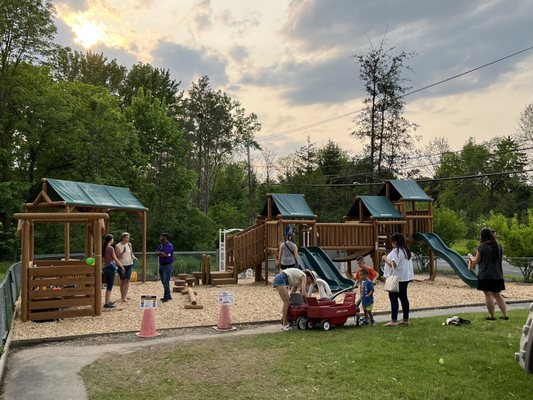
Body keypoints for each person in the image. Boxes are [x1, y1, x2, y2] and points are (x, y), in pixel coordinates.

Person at [468, 228, 508, 320]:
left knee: (488, 295)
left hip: (485, 275)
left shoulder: (481, 247)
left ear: (483, 236)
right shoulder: (498, 246)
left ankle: (491, 316)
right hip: (498, 275)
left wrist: (471, 258)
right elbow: (500, 260)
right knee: (498, 295)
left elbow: (477, 261)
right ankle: (505, 315)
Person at [381, 233, 414, 326]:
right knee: (403, 298)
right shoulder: (406, 251)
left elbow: (394, 264)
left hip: (396, 278)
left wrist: (385, 258)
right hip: (405, 278)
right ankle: (405, 319)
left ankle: (393, 320)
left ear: (395, 242)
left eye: (392, 241)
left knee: (393, 298)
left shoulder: (397, 251)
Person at [102, 234, 124, 309]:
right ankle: (106, 303)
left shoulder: (104, 248)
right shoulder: (110, 248)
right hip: (109, 268)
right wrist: (121, 266)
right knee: (110, 286)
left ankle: (107, 301)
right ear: (111, 240)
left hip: (105, 267)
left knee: (109, 285)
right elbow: (115, 259)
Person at [115, 232, 137, 302]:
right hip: (122, 265)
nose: (128, 239)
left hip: (130, 264)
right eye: (127, 237)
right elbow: (117, 256)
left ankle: (124, 296)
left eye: (128, 237)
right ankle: (122, 296)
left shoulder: (129, 244)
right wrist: (123, 252)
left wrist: (134, 257)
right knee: (122, 280)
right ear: (123, 238)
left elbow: (131, 253)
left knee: (127, 280)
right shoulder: (118, 246)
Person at [155, 233, 174, 303]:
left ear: (165, 237)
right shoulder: (161, 245)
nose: (160, 238)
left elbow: (165, 255)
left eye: (161, 237)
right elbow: (156, 252)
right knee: (163, 281)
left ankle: (166, 297)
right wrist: (161, 253)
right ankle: (169, 295)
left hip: (167, 265)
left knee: (166, 281)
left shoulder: (170, 245)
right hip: (161, 265)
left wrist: (160, 254)